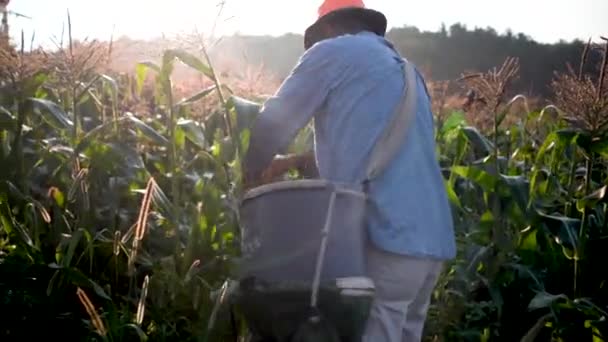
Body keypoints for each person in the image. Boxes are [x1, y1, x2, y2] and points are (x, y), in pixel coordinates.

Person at [242, 0, 457, 341]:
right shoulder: (406, 72)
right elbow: (376, 151)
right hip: (429, 244)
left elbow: (272, 124)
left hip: (387, 239)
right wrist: (293, 163)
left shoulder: (332, 52)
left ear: (328, 29)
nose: (314, 48)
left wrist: (249, 176)